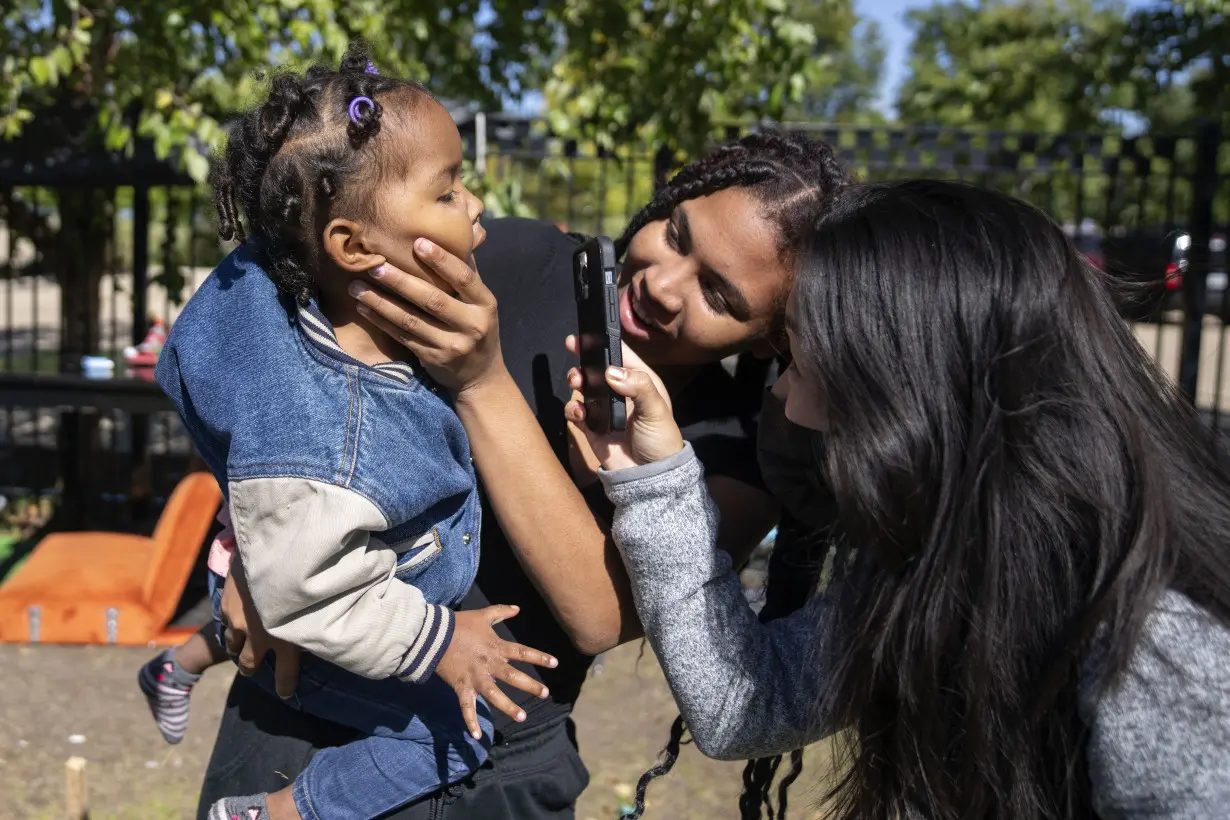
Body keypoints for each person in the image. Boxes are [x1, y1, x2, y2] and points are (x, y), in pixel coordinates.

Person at [199, 131, 851, 819]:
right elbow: (290, 359)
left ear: (772, 337)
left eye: (718, 295)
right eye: (679, 235)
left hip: (486, 758)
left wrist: (482, 382)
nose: (662, 284)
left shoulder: (729, 448)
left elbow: (598, 617)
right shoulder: (509, 256)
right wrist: (256, 546)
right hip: (306, 686)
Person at [574, 180, 1230, 819]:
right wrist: (655, 478)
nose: (783, 397)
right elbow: (746, 705)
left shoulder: (1161, 647)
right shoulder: (928, 558)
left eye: (803, 359)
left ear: (902, 388)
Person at [146, 44, 557, 820]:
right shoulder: (326, 441)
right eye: (448, 191)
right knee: (459, 737)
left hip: (273, 553)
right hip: (311, 605)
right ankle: (266, 815)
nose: (475, 207)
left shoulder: (287, 282)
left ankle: (173, 666)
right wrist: (440, 641)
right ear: (354, 247)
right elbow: (309, 590)